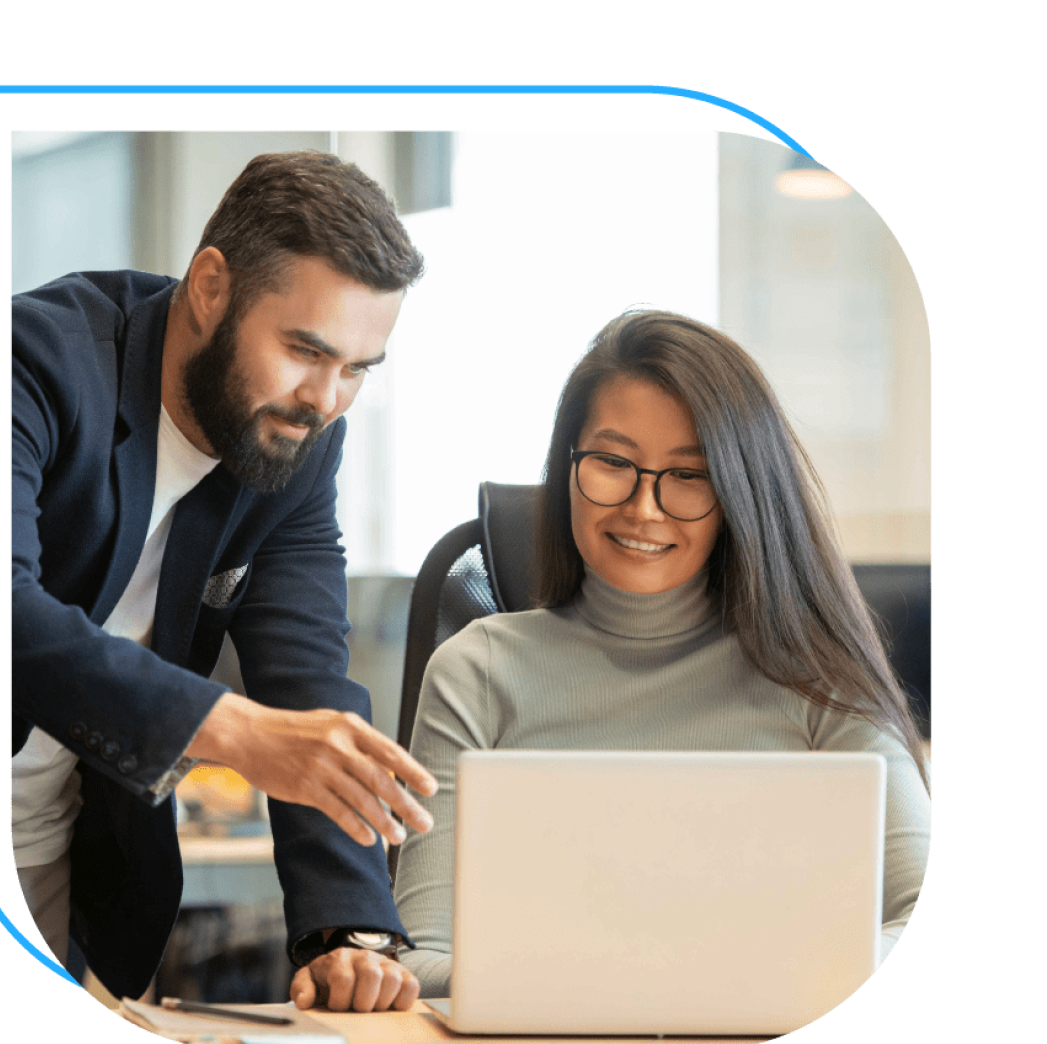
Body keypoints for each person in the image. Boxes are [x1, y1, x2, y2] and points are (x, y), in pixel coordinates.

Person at [392, 308, 932, 998]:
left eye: (689, 476)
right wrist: (646, 980)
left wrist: (765, 974)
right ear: (569, 468)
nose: (644, 508)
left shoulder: (819, 675)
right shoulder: (478, 671)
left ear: (740, 496)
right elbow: (419, 958)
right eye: (613, 463)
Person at [11, 150, 439, 1014]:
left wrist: (345, 930)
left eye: (358, 368)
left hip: (51, 857)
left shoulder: (297, 441)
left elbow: (307, 676)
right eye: (305, 350)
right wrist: (228, 729)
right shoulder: (33, 363)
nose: (325, 399)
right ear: (211, 286)